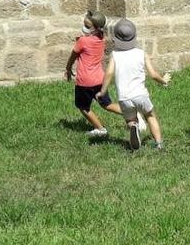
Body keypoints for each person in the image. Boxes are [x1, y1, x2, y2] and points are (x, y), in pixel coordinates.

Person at [99, 18, 171, 151]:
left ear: (116, 39)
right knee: (150, 116)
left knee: (131, 120)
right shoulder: (141, 53)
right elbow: (153, 74)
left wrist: (103, 91)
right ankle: (159, 143)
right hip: (140, 95)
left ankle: (133, 127)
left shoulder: (115, 55)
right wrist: (163, 81)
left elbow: (108, 73)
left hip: (124, 98)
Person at [64, 11, 121, 138]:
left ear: (95, 28)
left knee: (83, 107)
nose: (84, 27)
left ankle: (100, 129)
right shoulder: (101, 39)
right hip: (100, 80)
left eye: (87, 26)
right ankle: (132, 114)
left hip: (84, 82)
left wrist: (68, 69)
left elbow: (72, 57)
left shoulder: (82, 41)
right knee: (107, 105)